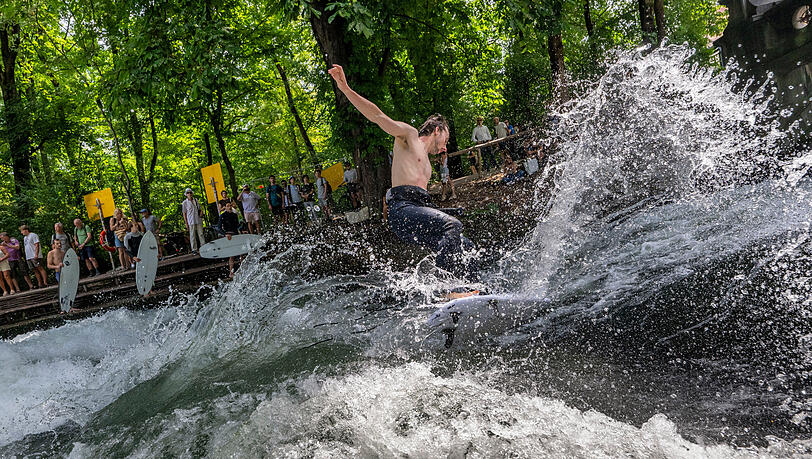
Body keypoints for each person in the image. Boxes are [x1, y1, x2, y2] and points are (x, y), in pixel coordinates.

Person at [329, 64, 477, 280]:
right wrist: (346, 89)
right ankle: (448, 288)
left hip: (417, 210)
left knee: (466, 246)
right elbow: (378, 116)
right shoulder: (409, 136)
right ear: (437, 130)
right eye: (445, 140)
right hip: (402, 211)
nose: (445, 146)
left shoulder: (427, 163)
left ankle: (473, 288)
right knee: (451, 224)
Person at [219, 201, 241, 278]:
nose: (230, 207)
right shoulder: (222, 216)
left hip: (236, 234)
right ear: (225, 207)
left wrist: (241, 230)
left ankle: (243, 269)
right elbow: (219, 228)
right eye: (228, 206)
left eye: (230, 205)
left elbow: (237, 225)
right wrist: (225, 234)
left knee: (241, 252)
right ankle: (231, 272)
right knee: (232, 255)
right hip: (228, 235)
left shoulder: (235, 215)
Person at [182, 188, 206, 254]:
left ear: (192, 193)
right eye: (188, 193)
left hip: (198, 219)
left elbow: (200, 209)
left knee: (201, 234)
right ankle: (194, 249)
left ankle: (203, 247)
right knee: (192, 235)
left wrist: (201, 213)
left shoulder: (196, 200)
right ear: (186, 194)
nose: (189, 194)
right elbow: (184, 213)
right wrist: (186, 223)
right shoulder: (185, 203)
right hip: (190, 220)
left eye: (190, 192)